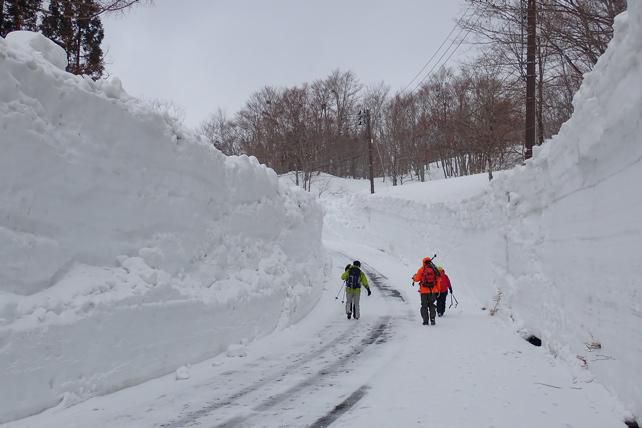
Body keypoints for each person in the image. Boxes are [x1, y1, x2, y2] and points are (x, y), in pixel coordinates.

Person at [412, 256, 441, 325]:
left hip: (424, 292)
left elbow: (417, 279)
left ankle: (425, 321)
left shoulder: (421, 269)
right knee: (431, 305)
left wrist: (413, 277)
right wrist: (438, 290)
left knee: (424, 306)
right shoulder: (434, 269)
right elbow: (438, 280)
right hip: (433, 291)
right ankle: (433, 319)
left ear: (423, 262)